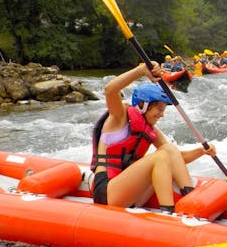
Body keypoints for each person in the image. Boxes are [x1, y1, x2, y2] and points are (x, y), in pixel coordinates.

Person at [90, 62, 216, 214]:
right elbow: (110, 89)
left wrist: (201, 151)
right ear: (143, 105)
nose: (162, 114)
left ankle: (190, 198)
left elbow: (175, 158)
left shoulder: (150, 130)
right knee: (161, 156)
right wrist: (141, 70)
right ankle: (167, 213)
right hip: (107, 192)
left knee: (168, 149)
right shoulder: (119, 117)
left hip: (131, 193)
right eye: (159, 108)